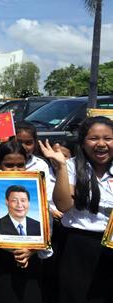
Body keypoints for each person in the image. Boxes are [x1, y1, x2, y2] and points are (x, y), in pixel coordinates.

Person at [39, 116, 113, 303]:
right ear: (82, 142)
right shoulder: (71, 166)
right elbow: (63, 204)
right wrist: (61, 166)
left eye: (108, 138)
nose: (101, 144)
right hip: (76, 246)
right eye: (94, 138)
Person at [0, 140, 52, 303]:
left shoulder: (39, 192)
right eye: (9, 165)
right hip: (2, 263)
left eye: (20, 165)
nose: (15, 170)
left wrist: (31, 250)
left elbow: (48, 233)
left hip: (32, 262)